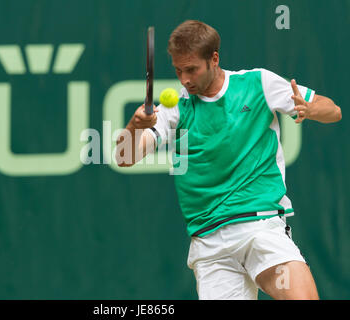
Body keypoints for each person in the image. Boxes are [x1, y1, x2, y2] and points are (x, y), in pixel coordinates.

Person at [116, 20, 342, 300]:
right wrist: (135, 125)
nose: (184, 79)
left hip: (262, 228)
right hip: (211, 247)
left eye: (191, 69)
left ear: (214, 59)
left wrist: (310, 108)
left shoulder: (258, 83)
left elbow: (334, 110)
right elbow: (124, 157)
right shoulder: (175, 108)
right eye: (178, 70)